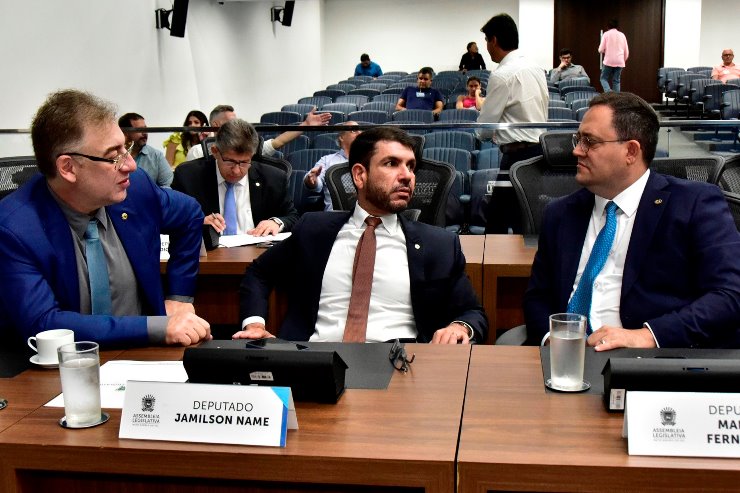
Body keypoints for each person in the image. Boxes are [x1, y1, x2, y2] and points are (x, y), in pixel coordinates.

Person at [524, 91, 740, 350]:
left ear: (631, 151)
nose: (576, 151)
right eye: (578, 139)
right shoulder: (560, 214)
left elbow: (729, 295)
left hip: (651, 364)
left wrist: (646, 336)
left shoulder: (694, 204)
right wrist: (554, 342)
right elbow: (538, 297)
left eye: (589, 142)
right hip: (566, 361)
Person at [0, 89, 212, 348]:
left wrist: (180, 297)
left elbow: (190, 214)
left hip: (147, 362)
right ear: (68, 168)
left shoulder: (136, 189)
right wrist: (156, 327)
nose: (131, 165)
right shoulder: (14, 230)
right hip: (61, 373)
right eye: (114, 157)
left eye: (127, 148)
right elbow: (44, 324)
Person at [236, 126, 488, 344]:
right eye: (391, 163)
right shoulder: (313, 229)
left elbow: (471, 312)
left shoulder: (440, 244)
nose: (407, 176)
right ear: (360, 175)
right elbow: (258, 273)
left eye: (411, 166)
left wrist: (459, 328)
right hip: (314, 358)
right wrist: (254, 324)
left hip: (398, 364)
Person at [476, 13, 548, 233]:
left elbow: (485, 129)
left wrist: (481, 132)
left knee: (495, 224)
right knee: (525, 221)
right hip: (539, 154)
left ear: (494, 40)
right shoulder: (535, 68)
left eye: (486, 41)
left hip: (516, 156)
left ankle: (492, 267)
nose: (486, 48)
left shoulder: (502, 75)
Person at [172, 118, 299, 238]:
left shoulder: (273, 178)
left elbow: (292, 217)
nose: (237, 171)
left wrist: (276, 223)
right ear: (215, 152)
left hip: (259, 254)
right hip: (209, 256)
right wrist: (198, 222)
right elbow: (171, 217)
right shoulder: (188, 176)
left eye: (244, 162)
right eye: (230, 162)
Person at [185, 104, 331, 161]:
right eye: (230, 121)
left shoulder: (246, 146)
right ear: (216, 125)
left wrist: (305, 125)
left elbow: (278, 142)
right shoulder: (198, 151)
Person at [303, 121, 361, 211]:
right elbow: (315, 181)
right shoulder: (327, 160)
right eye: (353, 131)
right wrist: (312, 180)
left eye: (359, 130)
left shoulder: (369, 159)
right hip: (336, 215)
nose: (359, 133)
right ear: (341, 137)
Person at [118, 112, 173, 187]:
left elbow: (167, 186)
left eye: (146, 128)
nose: (145, 133)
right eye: (140, 129)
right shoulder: (114, 155)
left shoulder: (156, 156)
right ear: (125, 133)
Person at [598, 19, 629, 93]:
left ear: (608, 26)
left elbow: (601, 50)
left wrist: (603, 50)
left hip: (608, 61)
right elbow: (626, 51)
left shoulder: (606, 34)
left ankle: (609, 93)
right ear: (617, 26)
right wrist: (623, 60)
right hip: (620, 61)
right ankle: (616, 98)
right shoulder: (622, 35)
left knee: (603, 78)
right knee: (616, 81)